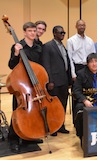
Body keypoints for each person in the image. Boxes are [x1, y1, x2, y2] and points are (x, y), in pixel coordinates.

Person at [7, 22, 43, 152]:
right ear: (24, 32)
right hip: (22, 86)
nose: (33, 33)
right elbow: (11, 65)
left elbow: (40, 66)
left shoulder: (38, 47)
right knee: (18, 112)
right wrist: (16, 54)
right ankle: (13, 139)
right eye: (30, 31)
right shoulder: (17, 46)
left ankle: (28, 137)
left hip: (34, 85)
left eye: (34, 31)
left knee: (34, 112)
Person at [42, 25, 72, 136]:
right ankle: (52, 127)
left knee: (63, 104)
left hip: (63, 80)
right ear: (54, 33)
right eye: (61, 32)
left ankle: (61, 125)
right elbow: (46, 64)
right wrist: (49, 80)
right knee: (53, 106)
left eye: (64, 32)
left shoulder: (63, 46)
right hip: (53, 82)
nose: (63, 34)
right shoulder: (48, 46)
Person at [67, 19, 96, 123]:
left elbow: (94, 56)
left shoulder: (90, 40)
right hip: (77, 67)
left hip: (89, 67)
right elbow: (70, 58)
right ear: (76, 26)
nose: (81, 27)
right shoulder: (71, 40)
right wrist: (73, 73)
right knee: (77, 95)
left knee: (89, 92)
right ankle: (76, 121)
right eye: (79, 25)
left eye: (83, 25)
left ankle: (90, 118)